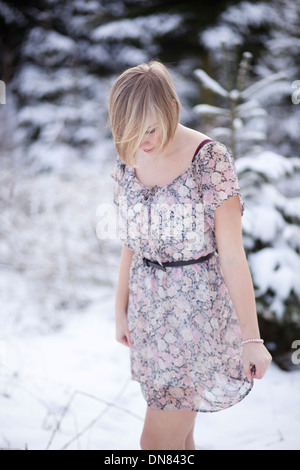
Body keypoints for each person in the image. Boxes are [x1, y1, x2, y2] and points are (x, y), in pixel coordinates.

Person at [108, 59, 272, 451]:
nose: (142, 140)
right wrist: (121, 309)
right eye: (131, 131)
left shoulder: (209, 161)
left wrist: (252, 338)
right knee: (180, 440)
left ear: (171, 108)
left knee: (155, 444)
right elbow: (131, 241)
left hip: (195, 316)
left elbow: (233, 256)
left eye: (150, 127)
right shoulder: (130, 158)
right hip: (149, 315)